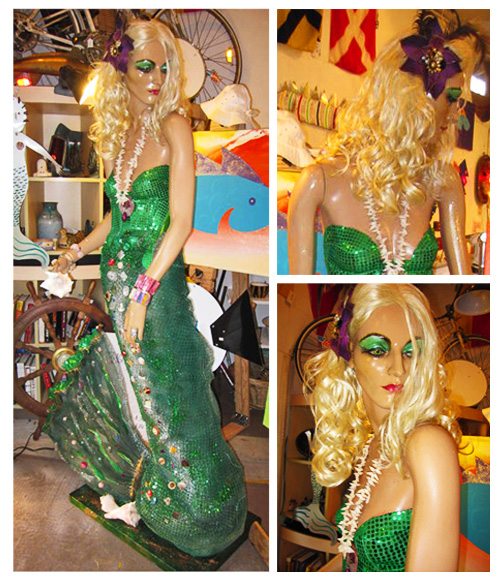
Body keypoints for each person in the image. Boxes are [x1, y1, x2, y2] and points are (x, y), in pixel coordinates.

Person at [46, 18, 247, 557]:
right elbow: (119, 218)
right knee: (146, 395)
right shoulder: (121, 135)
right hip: (119, 283)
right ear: (122, 71)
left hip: (153, 292)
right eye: (144, 67)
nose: (156, 78)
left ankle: (204, 512)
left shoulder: (175, 127)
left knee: (175, 395)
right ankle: (168, 492)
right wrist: (76, 252)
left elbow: (179, 223)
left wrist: (142, 295)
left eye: (163, 68)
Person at [288, 10, 486, 274]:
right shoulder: (319, 180)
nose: (454, 115)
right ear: (415, 98)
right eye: (451, 98)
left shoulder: (443, 180)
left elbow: (462, 278)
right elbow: (298, 282)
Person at [304, 284, 461, 571]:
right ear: (350, 353)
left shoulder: (428, 445)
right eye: (378, 350)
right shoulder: (372, 444)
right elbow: (352, 559)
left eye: (411, 352)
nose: (398, 369)